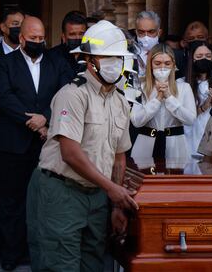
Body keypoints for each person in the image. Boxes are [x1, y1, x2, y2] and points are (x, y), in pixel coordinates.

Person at [26, 20, 138, 271]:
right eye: (106, 58)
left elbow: (119, 156)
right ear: (89, 60)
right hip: (61, 192)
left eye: (118, 58)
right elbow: (70, 153)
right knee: (60, 264)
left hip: (96, 196)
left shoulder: (120, 101)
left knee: (96, 263)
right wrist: (112, 190)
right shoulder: (73, 94)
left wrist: (117, 204)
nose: (114, 64)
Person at [0, 16, 72, 271]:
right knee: (11, 202)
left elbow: (65, 93)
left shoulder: (56, 62)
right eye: (33, 38)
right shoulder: (4, 63)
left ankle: (40, 253)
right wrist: (32, 121)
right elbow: (3, 97)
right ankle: (11, 254)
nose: (38, 42)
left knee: (45, 201)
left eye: (41, 38)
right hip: (13, 143)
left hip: (46, 144)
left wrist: (46, 119)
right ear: (22, 38)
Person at [130, 43, 196, 166]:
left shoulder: (184, 88)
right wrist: (157, 99)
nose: (162, 67)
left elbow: (190, 119)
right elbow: (136, 121)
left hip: (175, 145)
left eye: (167, 63)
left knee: (174, 182)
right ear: (150, 65)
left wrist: (169, 97)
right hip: (145, 144)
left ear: (173, 65)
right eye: (157, 63)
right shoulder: (141, 87)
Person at [183, 41, 212, 158]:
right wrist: (204, 107)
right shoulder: (181, 84)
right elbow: (181, 116)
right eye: (199, 56)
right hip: (190, 145)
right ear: (192, 59)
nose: (204, 59)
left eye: (208, 56)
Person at [48, 10, 87, 76]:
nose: (77, 38)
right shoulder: (51, 57)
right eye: (72, 34)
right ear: (63, 37)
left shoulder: (91, 56)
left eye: (81, 34)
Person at [135, 10, 162, 78]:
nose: (146, 36)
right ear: (136, 32)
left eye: (151, 32)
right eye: (141, 32)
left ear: (159, 32)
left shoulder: (170, 53)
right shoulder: (128, 54)